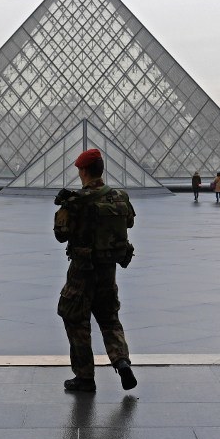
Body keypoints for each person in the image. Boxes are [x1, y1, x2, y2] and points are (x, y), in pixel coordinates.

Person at [53, 148, 137, 392]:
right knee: (110, 319)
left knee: (75, 319)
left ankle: (84, 377)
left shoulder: (76, 201)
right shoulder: (120, 197)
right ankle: (122, 362)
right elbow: (129, 221)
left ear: (83, 171)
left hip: (81, 272)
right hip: (108, 271)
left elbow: (60, 235)